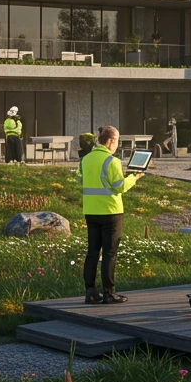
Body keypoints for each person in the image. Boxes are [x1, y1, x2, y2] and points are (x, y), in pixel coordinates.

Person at [79, 125, 144, 305]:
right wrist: (133, 178)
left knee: (92, 252)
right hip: (110, 212)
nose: (117, 145)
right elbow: (119, 187)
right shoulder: (112, 161)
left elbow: (79, 179)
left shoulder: (85, 159)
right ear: (111, 141)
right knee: (109, 253)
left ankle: (90, 292)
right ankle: (109, 293)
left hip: (90, 210)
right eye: (117, 141)